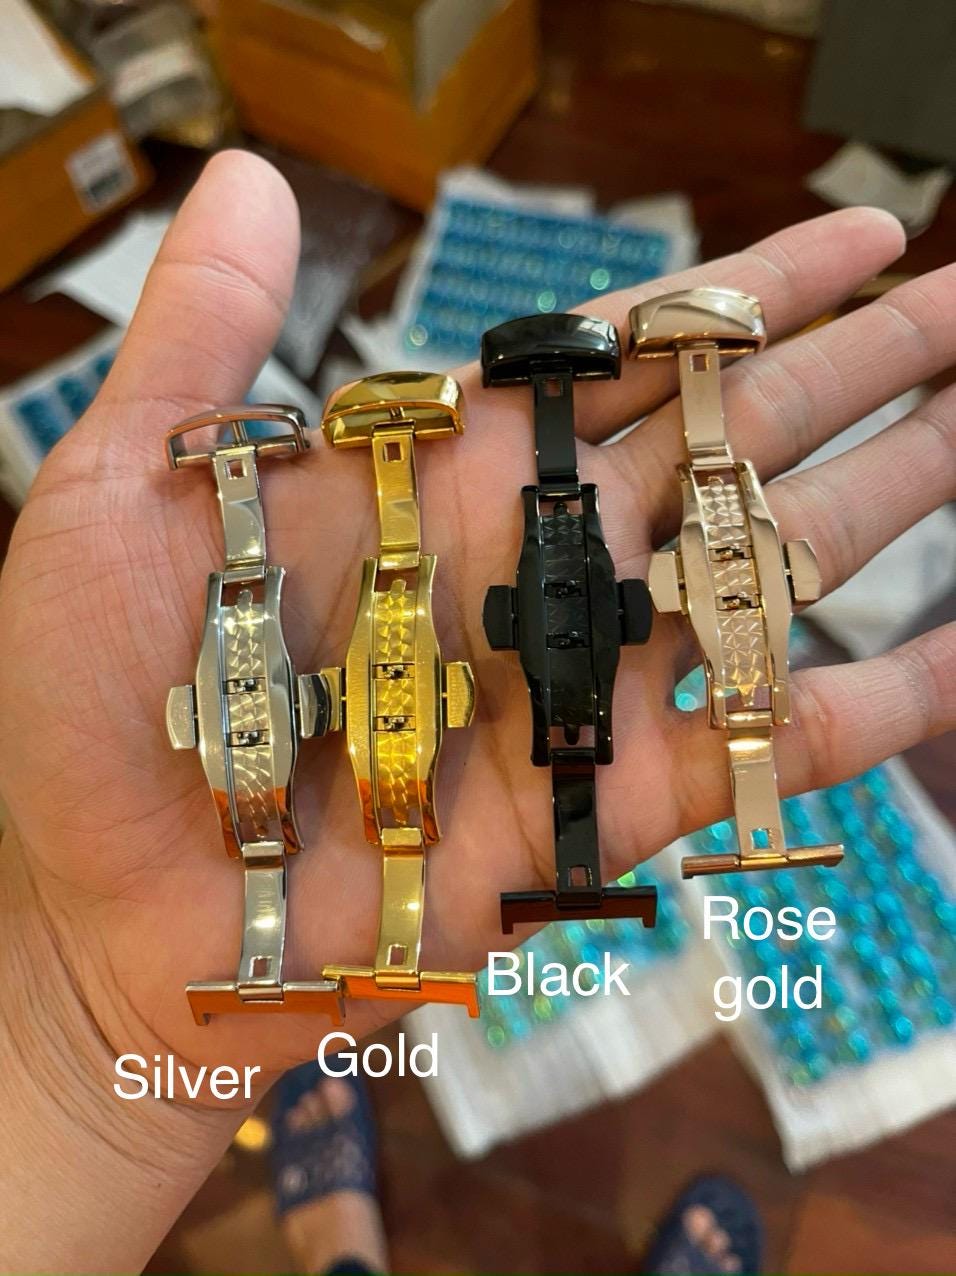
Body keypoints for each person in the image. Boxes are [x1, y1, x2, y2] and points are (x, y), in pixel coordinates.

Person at [0, 149, 953, 1274]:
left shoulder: (455, 594)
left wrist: (75, 1041)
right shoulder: (345, 609)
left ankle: (339, 1247)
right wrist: (71, 1015)